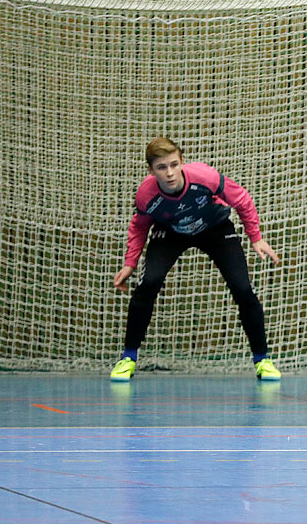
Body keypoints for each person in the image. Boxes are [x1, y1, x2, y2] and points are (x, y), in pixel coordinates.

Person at [111, 138, 281, 382]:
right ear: (151, 171)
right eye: (161, 168)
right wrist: (130, 262)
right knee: (148, 284)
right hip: (170, 232)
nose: (169, 173)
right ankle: (128, 358)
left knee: (243, 287)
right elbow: (139, 227)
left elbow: (241, 198)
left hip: (215, 228)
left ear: (182, 161)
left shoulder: (205, 177)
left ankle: (262, 360)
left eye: (173, 164)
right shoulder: (146, 195)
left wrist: (256, 238)